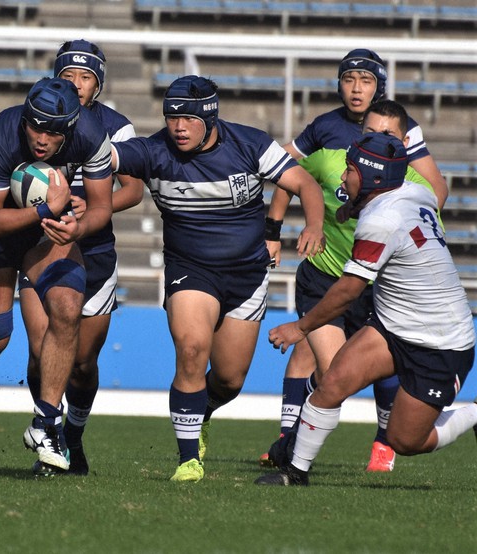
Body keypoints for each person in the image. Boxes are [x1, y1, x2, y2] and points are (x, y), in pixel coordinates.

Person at [110, 75, 326, 482]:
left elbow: (305, 183)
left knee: (229, 379)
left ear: (210, 119)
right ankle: (188, 459)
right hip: (190, 269)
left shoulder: (250, 145)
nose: (178, 127)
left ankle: (201, 410)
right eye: (172, 117)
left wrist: (313, 225)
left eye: (189, 119)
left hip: (247, 275)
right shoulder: (153, 151)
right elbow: (105, 156)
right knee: (192, 349)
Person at [261, 49, 449, 472]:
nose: (357, 88)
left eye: (366, 80)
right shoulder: (327, 138)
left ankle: (382, 446)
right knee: (330, 373)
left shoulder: (405, 150)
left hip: (377, 279)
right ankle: (289, 440)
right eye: (349, 79)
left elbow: (436, 191)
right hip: (328, 272)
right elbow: (285, 171)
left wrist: (405, 235)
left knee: (377, 366)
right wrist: (277, 232)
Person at [255, 132, 476, 487]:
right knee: (332, 384)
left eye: (350, 170)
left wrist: (301, 327)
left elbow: (347, 292)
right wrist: (354, 206)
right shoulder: (414, 191)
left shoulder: (382, 221)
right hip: (392, 325)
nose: (343, 177)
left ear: (373, 177)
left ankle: (475, 413)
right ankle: (295, 473)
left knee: (406, 440)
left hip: (441, 342)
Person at [0, 77, 113, 473]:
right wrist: (45, 210)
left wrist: (79, 228)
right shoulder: (1, 134)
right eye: (35, 125)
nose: (41, 138)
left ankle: (48, 423)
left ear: (70, 129)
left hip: (46, 233)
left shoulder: (92, 135)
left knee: (69, 308)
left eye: (53, 132)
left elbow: (102, 207)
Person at [17, 39, 144, 476]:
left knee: (84, 362)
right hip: (41, 248)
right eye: (68, 74)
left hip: (94, 251)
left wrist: (88, 209)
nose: (76, 83)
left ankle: (73, 432)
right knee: (41, 350)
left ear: (99, 84)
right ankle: (47, 438)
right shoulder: (34, 119)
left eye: (85, 77)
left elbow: (133, 189)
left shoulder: (116, 127)